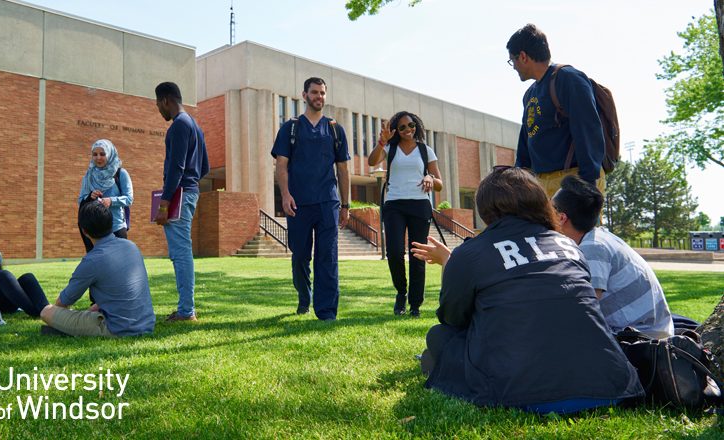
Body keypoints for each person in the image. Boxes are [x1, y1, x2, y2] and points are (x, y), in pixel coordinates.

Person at [410, 167, 643, 414]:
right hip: (609, 384)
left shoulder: (470, 253)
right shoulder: (570, 245)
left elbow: (452, 319)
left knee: (439, 335)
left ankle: (440, 367)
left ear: (485, 207)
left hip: (519, 390)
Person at [553, 175, 678, 339]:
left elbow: (586, 308)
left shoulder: (592, 248)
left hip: (643, 342)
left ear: (561, 218)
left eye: (550, 209)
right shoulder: (599, 237)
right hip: (646, 332)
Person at [271, 77, 351, 321]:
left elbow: (344, 170)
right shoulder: (290, 128)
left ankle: (326, 311)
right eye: (314, 92)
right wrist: (285, 196)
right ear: (304, 95)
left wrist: (345, 205)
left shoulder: (335, 129)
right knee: (300, 256)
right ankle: (304, 298)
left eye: (323, 93)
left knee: (327, 256)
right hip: (299, 204)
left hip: (328, 202)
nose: (319, 97)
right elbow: (281, 166)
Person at [507, 24, 606, 196]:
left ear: (523, 56)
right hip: (541, 184)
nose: (513, 66)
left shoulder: (568, 79)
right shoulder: (529, 94)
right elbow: (525, 145)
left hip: (573, 180)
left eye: (512, 60)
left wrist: (586, 188)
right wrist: (518, 183)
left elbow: (588, 132)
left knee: (575, 225)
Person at [40, 201, 155, 337]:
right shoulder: (131, 246)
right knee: (93, 309)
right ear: (111, 223)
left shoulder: (92, 260)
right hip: (146, 324)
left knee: (46, 311)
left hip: (117, 329)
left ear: (84, 231)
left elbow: (63, 302)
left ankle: (67, 330)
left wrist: (59, 317)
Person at [367, 111, 442, 317]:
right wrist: (382, 142)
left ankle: (415, 304)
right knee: (394, 252)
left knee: (417, 254)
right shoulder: (390, 148)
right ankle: (401, 292)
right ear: (395, 131)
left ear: (416, 126)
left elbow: (439, 184)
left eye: (411, 125)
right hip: (394, 205)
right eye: (402, 127)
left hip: (420, 205)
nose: (408, 130)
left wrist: (429, 177)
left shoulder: (426, 150)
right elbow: (371, 162)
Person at [153, 81, 209, 322]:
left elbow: (176, 168)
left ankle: (186, 311)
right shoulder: (195, 125)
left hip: (179, 194)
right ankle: (186, 308)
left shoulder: (178, 126)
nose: (159, 109)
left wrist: (164, 203)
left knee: (180, 252)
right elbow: (204, 166)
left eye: (158, 104)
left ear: (165, 100)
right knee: (181, 250)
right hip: (190, 191)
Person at [77, 139, 133, 253]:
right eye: (95, 154)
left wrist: (111, 201)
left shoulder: (120, 173)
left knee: (119, 265)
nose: (98, 158)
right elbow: (80, 200)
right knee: (96, 266)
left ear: (110, 154)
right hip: (95, 230)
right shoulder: (89, 175)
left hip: (116, 228)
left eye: (102, 154)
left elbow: (129, 198)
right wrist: (90, 197)